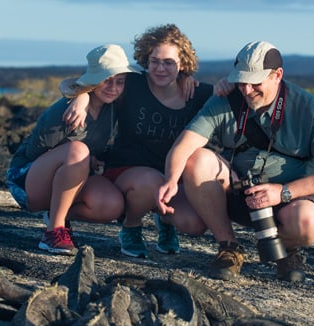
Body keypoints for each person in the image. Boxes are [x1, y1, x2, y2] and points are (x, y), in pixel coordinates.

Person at [156, 41, 314, 282]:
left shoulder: (309, 108)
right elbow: (184, 144)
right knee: (196, 168)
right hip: (238, 191)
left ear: (277, 75)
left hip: (292, 196)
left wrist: (283, 192)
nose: (246, 90)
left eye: (255, 82)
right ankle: (229, 247)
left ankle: (285, 250)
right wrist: (171, 180)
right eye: (241, 81)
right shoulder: (226, 98)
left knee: (307, 224)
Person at [61, 24, 216, 258]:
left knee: (194, 224)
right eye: (154, 61)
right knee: (152, 181)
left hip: (173, 179)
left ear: (182, 63)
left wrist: (226, 85)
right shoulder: (132, 84)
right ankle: (131, 226)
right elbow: (75, 83)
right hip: (127, 172)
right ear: (146, 59)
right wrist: (81, 97)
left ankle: (165, 221)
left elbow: (234, 98)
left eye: (168, 62)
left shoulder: (198, 93)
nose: (160, 68)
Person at [6, 44, 141, 255]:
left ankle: (55, 213)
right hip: (25, 180)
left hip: (69, 179)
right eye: (106, 80)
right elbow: (33, 154)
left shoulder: (111, 107)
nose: (113, 87)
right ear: (93, 80)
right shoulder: (65, 112)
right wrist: (80, 97)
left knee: (111, 205)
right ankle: (55, 232)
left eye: (119, 82)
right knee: (77, 151)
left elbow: (156, 86)